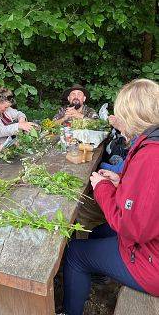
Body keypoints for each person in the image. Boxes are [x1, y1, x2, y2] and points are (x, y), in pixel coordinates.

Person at [62, 79, 159, 315]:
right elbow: (147, 197)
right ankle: (98, 274)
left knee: (74, 252)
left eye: (120, 113)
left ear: (132, 114)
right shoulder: (151, 143)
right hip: (151, 241)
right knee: (99, 232)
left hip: (151, 260)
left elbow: (131, 228)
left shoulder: (151, 156)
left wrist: (103, 187)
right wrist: (121, 182)